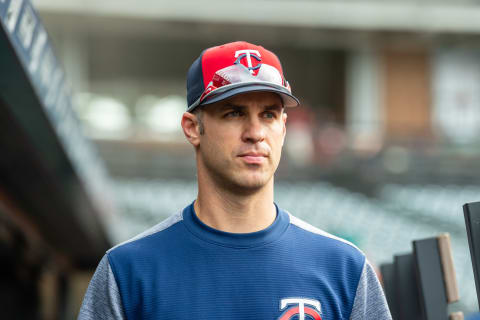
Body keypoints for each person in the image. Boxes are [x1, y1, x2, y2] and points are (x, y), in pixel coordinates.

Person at [78, 41, 392, 320]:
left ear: (283, 127)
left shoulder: (344, 268)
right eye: (234, 113)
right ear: (192, 127)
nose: (255, 133)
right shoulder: (129, 270)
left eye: (268, 115)